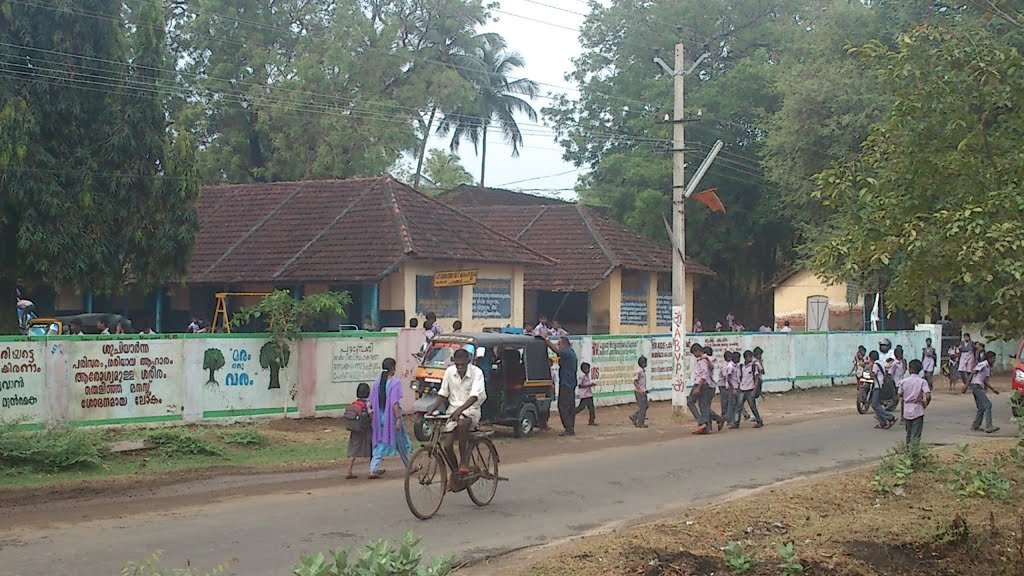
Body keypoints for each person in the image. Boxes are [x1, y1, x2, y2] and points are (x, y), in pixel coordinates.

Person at [433, 348, 486, 487]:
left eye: (462, 364)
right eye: (457, 364)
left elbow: (474, 396)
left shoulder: (477, 373)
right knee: (447, 445)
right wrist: (432, 408)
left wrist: (460, 410)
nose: (460, 367)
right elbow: (443, 393)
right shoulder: (449, 372)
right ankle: (457, 472)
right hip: (452, 411)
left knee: (463, 424)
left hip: (472, 410)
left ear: (468, 361)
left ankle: (464, 462)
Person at [368, 358, 410, 479]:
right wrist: (397, 418)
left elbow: (371, 401)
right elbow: (394, 403)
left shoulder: (377, 382)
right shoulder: (395, 382)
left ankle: (373, 469)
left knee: (379, 442)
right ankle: (409, 465)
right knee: (401, 442)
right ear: (393, 368)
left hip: (378, 418)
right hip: (390, 418)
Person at [539, 336, 578, 436]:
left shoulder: (566, 352)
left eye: (559, 344)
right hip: (571, 382)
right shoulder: (571, 352)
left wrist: (546, 340)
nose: (558, 346)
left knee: (563, 406)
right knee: (570, 406)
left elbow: (556, 351)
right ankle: (570, 427)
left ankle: (568, 427)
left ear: (564, 344)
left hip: (566, 383)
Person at [963, 350, 1000, 433]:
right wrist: (966, 385)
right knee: (988, 404)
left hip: (977, 385)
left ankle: (975, 425)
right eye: (993, 358)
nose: (994, 360)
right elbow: (973, 373)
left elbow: (985, 381)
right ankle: (989, 426)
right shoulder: (983, 364)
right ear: (989, 358)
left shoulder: (987, 367)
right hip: (976, 386)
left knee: (981, 407)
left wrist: (993, 389)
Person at [898, 359, 931, 447]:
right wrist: (925, 404)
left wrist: (905, 397)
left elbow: (899, 394)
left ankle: (908, 451)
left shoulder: (903, 381)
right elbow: (927, 395)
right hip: (918, 408)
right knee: (916, 434)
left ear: (910, 369)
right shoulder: (922, 382)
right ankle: (914, 452)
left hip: (907, 409)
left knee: (908, 433)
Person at [345, 383, 372, 479]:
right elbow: (371, 416)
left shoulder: (354, 403)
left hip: (354, 428)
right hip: (364, 428)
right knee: (372, 447)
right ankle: (372, 469)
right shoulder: (368, 404)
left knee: (354, 448)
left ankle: (349, 470)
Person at [735, 350, 764, 428]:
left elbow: (757, 378)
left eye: (751, 357)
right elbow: (739, 378)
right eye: (749, 357)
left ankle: (759, 421)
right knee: (738, 406)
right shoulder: (741, 367)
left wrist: (754, 390)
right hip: (742, 389)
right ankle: (736, 423)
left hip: (750, 389)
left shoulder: (753, 366)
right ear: (745, 358)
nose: (750, 358)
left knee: (752, 406)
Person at [869, 350, 896, 429]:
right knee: (877, 405)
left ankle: (890, 417)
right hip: (881, 385)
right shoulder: (880, 363)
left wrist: (870, 367)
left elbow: (872, 376)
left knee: (874, 404)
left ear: (871, 358)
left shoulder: (875, 365)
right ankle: (882, 422)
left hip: (878, 387)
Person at [719, 351, 738, 427]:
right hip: (723, 385)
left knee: (731, 403)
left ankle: (728, 420)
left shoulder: (731, 365)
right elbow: (726, 377)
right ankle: (724, 419)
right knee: (726, 403)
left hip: (728, 385)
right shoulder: (726, 366)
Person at [630, 356, 649, 428]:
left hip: (642, 391)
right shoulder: (639, 371)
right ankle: (640, 423)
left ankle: (635, 417)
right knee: (643, 407)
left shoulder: (642, 371)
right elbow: (635, 381)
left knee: (645, 405)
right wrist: (640, 389)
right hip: (639, 392)